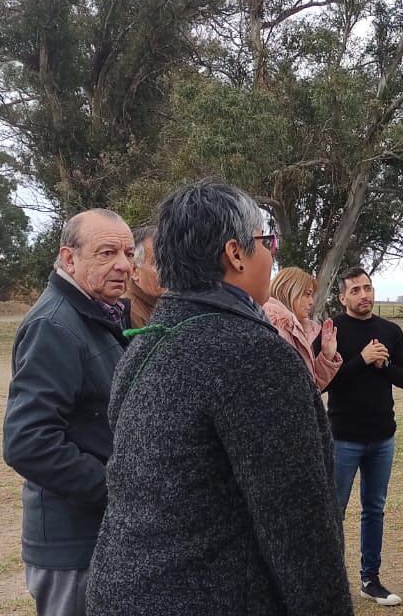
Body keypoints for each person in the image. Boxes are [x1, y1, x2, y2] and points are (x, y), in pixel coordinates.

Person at [86, 181, 353, 616]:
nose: (272, 255)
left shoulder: (148, 343)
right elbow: (299, 525)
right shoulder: (250, 352)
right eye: (268, 242)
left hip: (123, 592)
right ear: (236, 253)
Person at [2, 208, 135, 616]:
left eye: (129, 253)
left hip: (99, 535)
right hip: (72, 547)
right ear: (69, 258)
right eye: (107, 253)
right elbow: (27, 441)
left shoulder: (102, 316)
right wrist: (117, 488)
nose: (123, 265)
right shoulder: (55, 325)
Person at [322, 266, 403, 607]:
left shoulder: (389, 330)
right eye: (356, 290)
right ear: (343, 297)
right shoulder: (331, 330)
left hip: (382, 437)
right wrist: (361, 360)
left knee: (374, 509)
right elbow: (324, 382)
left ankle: (370, 579)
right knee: (334, 510)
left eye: (368, 288)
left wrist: (383, 366)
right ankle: (330, 582)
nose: (364, 295)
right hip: (343, 438)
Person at [263, 266, 342, 390]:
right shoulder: (274, 329)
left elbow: (308, 389)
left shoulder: (296, 331)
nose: (312, 302)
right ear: (287, 291)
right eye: (307, 294)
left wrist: (326, 356)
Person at [126, 223, 164, 329]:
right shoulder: (129, 312)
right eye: (158, 263)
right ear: (134, 271)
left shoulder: (159, 302)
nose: (170, 270)